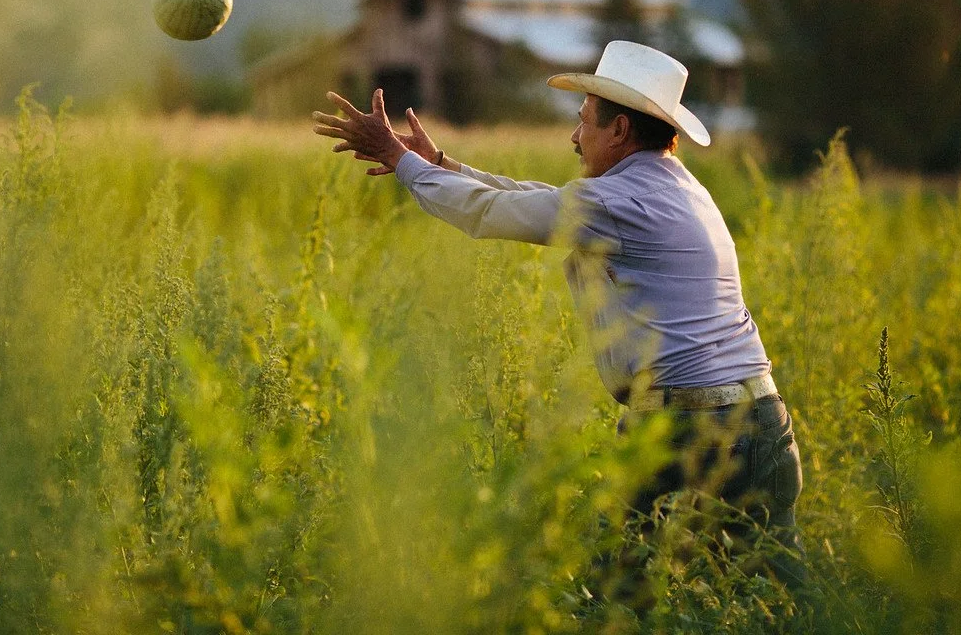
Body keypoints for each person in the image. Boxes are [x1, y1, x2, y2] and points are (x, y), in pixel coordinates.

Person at [312, 40, 804, 596]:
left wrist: (403, 162)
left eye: (583, 122)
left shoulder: (619, 203)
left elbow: (493, 212)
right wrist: (439, 166)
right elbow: (540, 198)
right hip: (761, 423)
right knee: (786, 604)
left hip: (694, 434)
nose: (574, 138)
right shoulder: (674, 188)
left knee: (617, 596)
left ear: (618, 131)